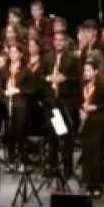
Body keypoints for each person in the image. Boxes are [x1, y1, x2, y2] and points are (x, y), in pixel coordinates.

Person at [44, 30, 81, 180]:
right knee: (52, 137)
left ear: (65, 42)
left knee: (66, 138)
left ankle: (67, 169)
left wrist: (64, 79)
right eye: (56, 40)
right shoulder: (47, 57)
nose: (58, 42)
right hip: (52, 102)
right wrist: (48, 77)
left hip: (66, 103)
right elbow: (40, 76)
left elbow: (79, 78)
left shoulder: (73, 58)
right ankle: (52, 167)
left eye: (61, 40)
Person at [79, 56, 104, 198]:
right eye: (85, 70)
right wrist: (81, 111)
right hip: (86, 123)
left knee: (96, 155)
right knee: (87, 153)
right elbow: (80, 101)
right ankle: (88, 183)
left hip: (99, 124)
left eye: (88, 70)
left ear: (96, 71)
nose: (86, 73)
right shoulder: (83, 85)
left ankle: (98, 184)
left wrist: (95, 107)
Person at [0, 44, 35, 170]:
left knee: (20, 133)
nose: (12, 54)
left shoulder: (26, 70)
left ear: (21, 54)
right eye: (10, 52)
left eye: (15, 52)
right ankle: (10, 161)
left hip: (21, 105)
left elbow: (31, 89)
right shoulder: (4, 69)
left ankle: (23, 161)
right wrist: (4, 92)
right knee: (9, 133)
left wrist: (18, 90)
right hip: (7, 104)